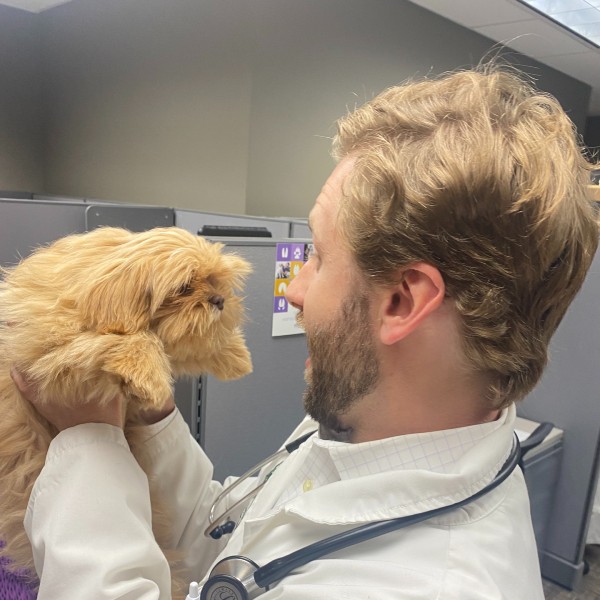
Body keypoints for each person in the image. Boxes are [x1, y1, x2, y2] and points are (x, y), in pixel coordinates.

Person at [14, 64, 599, 599]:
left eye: (317, 256)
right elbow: (228, 539)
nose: (293, 288)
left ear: (401, 301)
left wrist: (88, 437)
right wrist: (152, 415)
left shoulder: (422, 586)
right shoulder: (372, 421)